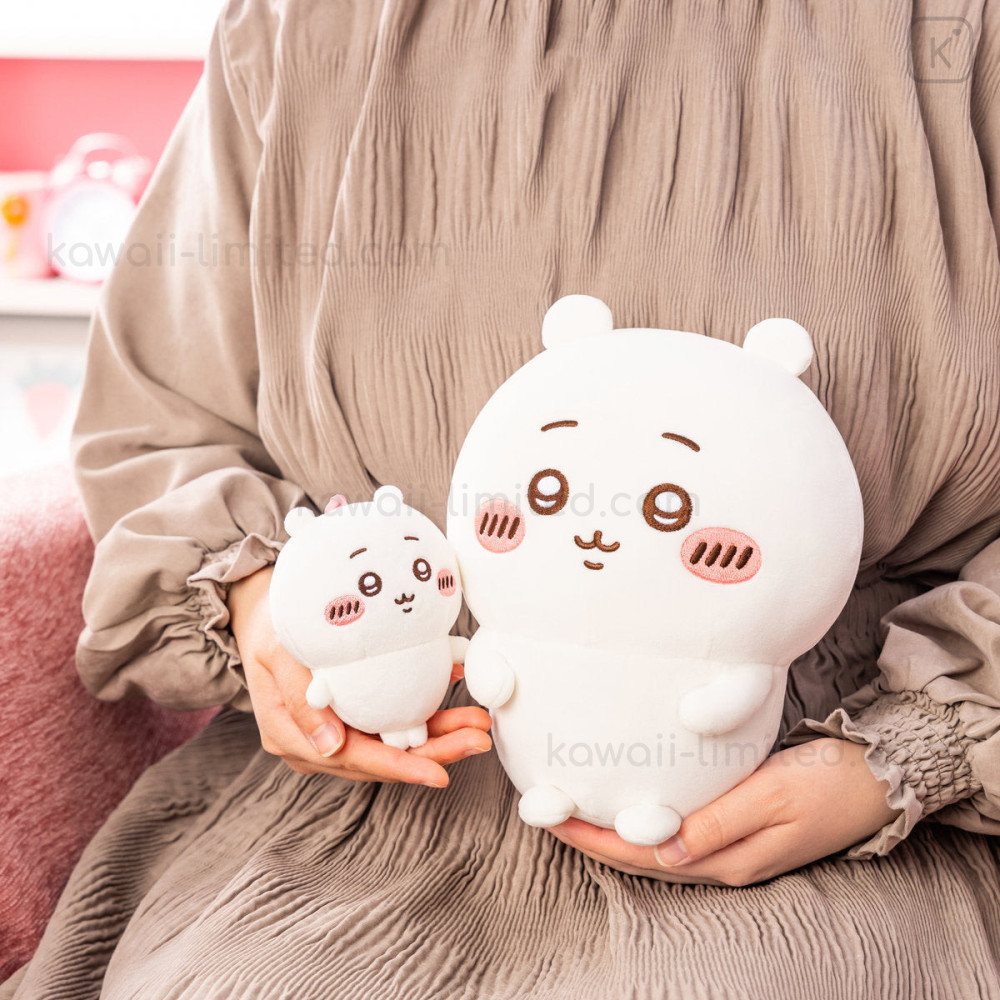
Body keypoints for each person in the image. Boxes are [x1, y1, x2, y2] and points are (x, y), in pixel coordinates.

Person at [6, 0, 1000, 996]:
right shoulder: (302, 27)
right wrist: (282, 616)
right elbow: (161, 423)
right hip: (379, 790)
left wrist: (907, 756)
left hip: (843, 796)